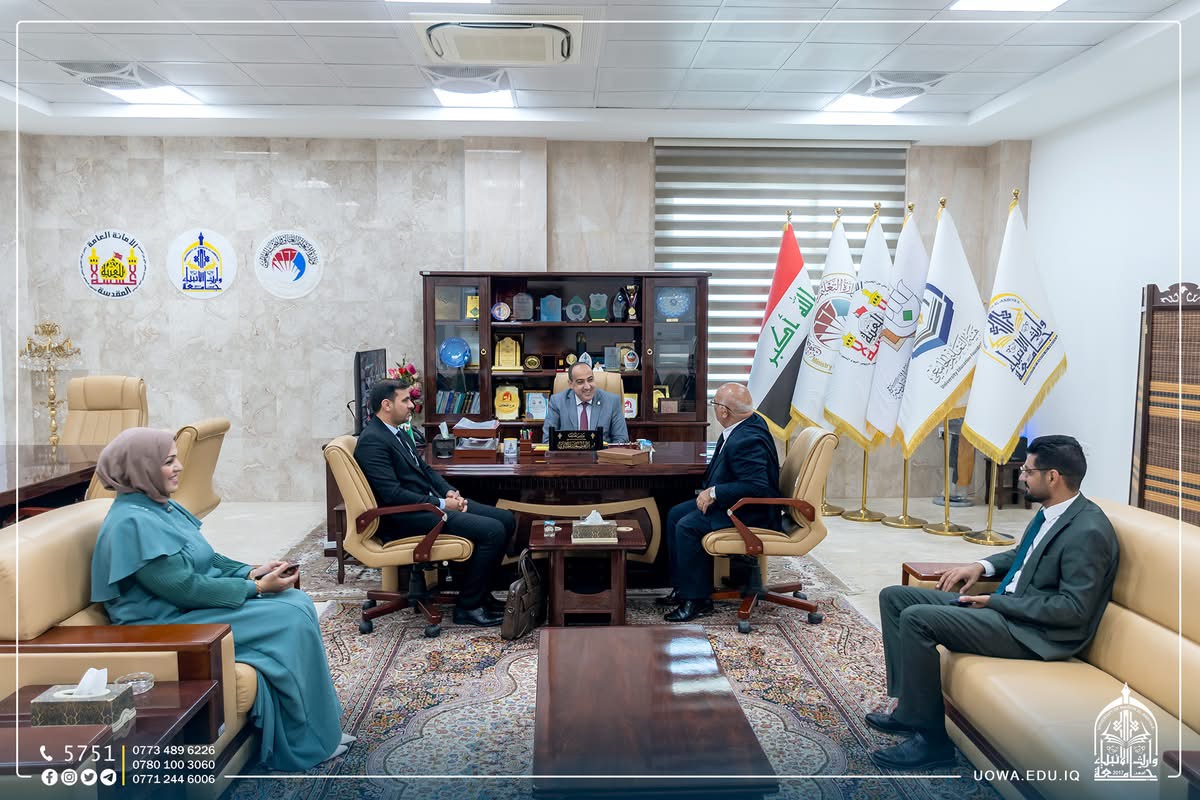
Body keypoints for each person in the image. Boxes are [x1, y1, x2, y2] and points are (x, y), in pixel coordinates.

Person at [89, 428, 349, 772]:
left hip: (187, 609)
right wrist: (257, 589)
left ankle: (320, 729)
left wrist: (250, 572)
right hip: (165, 623)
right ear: (142, 468)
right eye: (168, 462)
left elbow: (207, 558)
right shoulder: (131, 523)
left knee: (297, 603)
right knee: (290, 616)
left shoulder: (158, 505)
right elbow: (184, 588)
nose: (179, 467)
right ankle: (304, 742)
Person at [868, 434, 1119, 770]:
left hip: (1034, 634)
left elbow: (1073, 610)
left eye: (1028, 471)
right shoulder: (1052, 512)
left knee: (917, 618)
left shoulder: (1088, 531)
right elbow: (1024, 555)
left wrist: (994, 603)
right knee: (895, 597)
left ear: (1052, 477)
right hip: (1008, 610)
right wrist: (981, 566)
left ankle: (932, 742)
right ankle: (909, 709)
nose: (1021, 476)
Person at [355, 379, 514, 627]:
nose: (412, 405)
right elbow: (393, 494)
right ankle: (469, 608)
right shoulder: (373, 440)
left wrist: (449, 492)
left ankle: (480, 595)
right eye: (405, 400)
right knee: (493, 530)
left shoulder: (397, 431)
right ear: (386, 405)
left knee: (506, 518)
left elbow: (426, 470)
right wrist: (441, 503)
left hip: (426, 507)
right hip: (404, 517)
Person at [658, 383, 782, 622]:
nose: (713, 408)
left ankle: (697, 601)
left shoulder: (747, 439)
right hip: (736, 504)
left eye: (714, 404)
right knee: (675, 514)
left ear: (724, 411)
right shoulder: (748, 423)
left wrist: (714, 492)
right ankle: (683, 587)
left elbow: (758, 486)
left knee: (687, 526)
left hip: (749, 512)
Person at [543, 362, 629, 444]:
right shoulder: (557, 402)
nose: (587, 387)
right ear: (570, 384)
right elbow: (548, 440)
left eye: (590, 380)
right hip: (568, 453)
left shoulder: (612, 401)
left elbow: (621, 440)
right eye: (580, 382)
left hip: (601, 454)